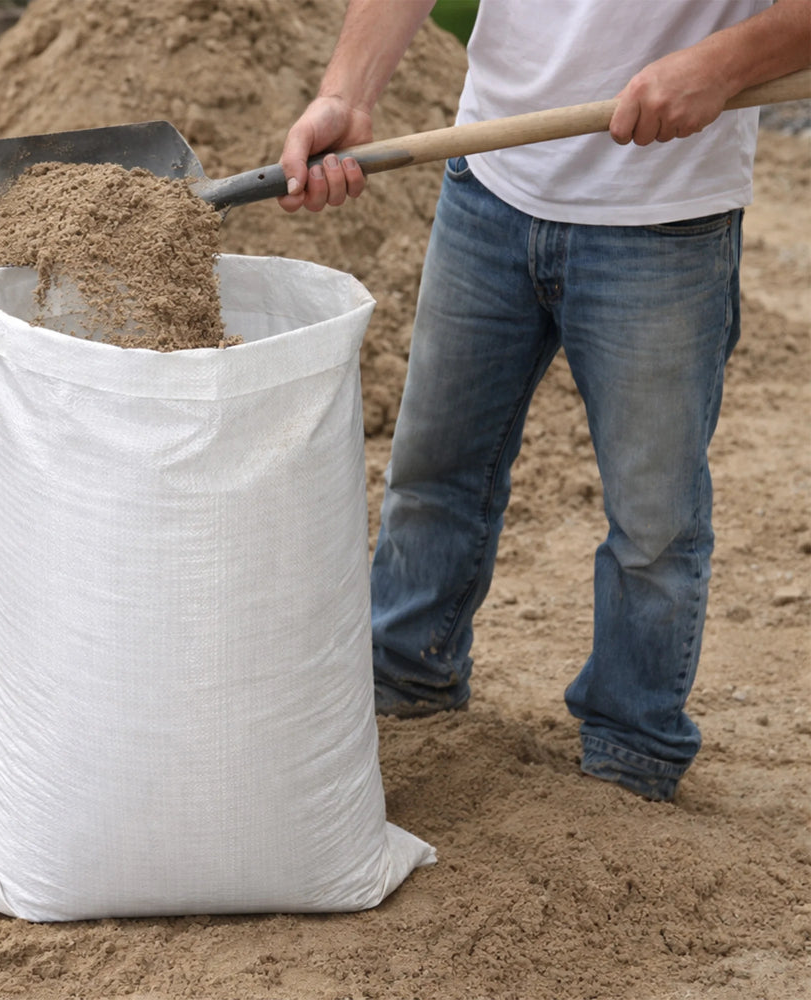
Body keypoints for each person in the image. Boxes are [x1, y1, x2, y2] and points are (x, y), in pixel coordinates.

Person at [277, 0, 811, 801]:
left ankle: (633, 749)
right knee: (433, 475)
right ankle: (402, 684)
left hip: (664, 218)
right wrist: (348, 95)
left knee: (654, 525)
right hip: (487, 184)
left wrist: (721, 64)